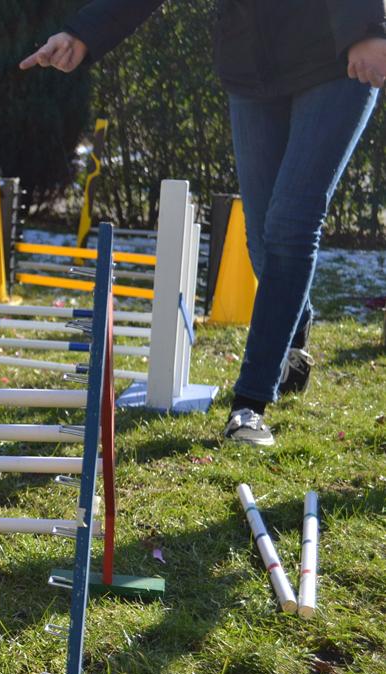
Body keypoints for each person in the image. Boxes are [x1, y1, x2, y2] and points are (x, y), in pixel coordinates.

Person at [21, 0, 386, 446]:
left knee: (291, 224)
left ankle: (250, 404)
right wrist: (82, 33)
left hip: (334, 59)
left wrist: (368, 29)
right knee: (262, 237)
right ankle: (293, 329)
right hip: (252, 69)